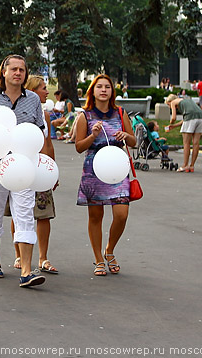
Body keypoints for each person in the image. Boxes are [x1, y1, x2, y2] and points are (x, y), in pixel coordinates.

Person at [0, 54, 49, 288]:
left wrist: (42, 161)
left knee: (25, 217)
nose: (18, 73)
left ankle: (26, 270)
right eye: (13, 69)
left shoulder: (33, 100)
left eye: (22, 70)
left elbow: (39, 134)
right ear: (3, 72)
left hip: (23, 169)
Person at [74, 74, 136, 276]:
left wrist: (126, 136)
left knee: (121, 214)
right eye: (99, 86)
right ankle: (98, 258)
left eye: (107, 87)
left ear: (112, 91)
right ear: (93, 91)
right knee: (96, 215)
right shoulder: (85, 115)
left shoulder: (120, 112)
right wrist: (93, 135)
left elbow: (134, 141)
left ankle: (109, 249)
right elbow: (78, 147)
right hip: (94, 168)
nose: (103, 90)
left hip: (117, 167)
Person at [7, 75, 59, 275]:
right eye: (43, 88)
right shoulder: (19, 114)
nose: (47, 92)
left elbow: (48, 144)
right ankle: (20, 254)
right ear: (32, 91)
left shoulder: (45, 116)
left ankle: (43, 258)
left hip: (41, 170)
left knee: (44, 214)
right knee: (20, 213)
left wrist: (51, 170)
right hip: (21, 169)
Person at [164, 93, 202, 172]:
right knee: (196, 143)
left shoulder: (174, 102)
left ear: (171, 101)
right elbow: (187, 119)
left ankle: (185, 165)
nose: (170, 106)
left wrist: (171, 122)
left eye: (168, 104)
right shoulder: (187, 101)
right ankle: (192, 166)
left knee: (186, 143)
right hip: (200, 117)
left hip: (190, 118)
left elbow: (174, 118)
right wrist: (174, 126)